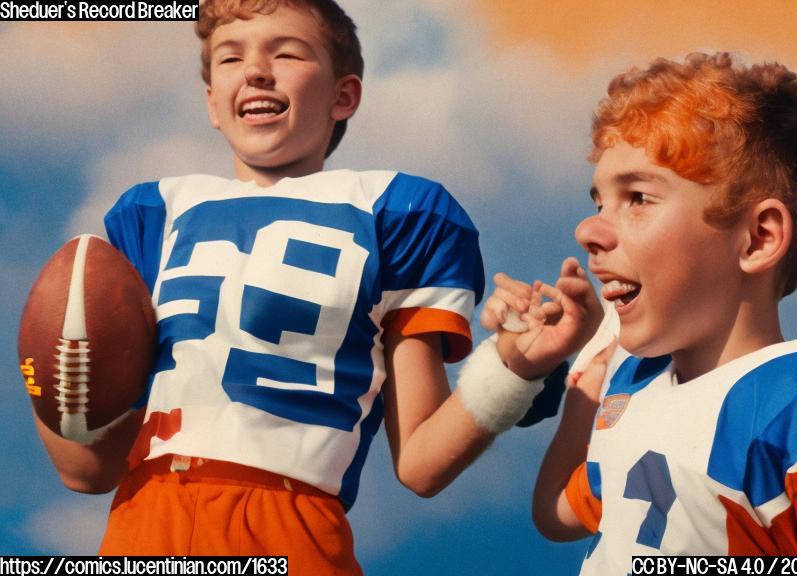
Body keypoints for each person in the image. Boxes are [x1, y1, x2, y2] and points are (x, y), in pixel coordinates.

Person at [31, 1, 549, 573]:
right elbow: (86, 469)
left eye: (286, 52)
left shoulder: (397, 209)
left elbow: (423, 463)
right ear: (211, 102)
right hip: (141, 526)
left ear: (343, 95)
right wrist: (56, 367)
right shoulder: (153, 214)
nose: (255, 69)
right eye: (231, 57)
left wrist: (513, 369)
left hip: (287, 527)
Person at [481, 52, 797, 571]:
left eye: (637, 197)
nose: (588, 230)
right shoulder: (633, 385)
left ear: (758, 237)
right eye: (599, 203)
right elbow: (557, 515)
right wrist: (585, 392)